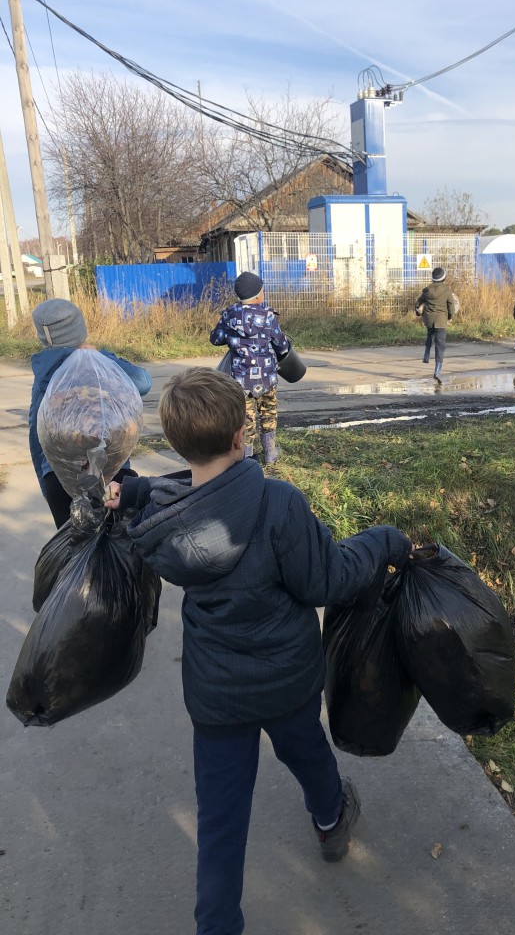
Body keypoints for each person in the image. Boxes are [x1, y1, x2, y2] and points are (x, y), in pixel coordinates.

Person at [104, 368, 412, 935]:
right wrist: (383, 541)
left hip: (216, 694)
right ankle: (330, 821)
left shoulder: (159, 524)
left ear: (177, 445)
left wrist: (137, 492)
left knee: (220, 821)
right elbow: (328, 580)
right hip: (287, 680)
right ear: (240, 434)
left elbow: (185, 494)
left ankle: (216, 925)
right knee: (307, 751)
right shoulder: (278, 503)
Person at [29, 298, 152, 528]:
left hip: (60, 478)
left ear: (43, 337)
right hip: (113, 473)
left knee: (74, 543)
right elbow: (143, 382)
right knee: (119, 541)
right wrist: (105, 356)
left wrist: (46, 482)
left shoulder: (44, 375)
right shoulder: (99, 365)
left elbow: (36, 435)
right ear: (80, 329)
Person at [210, 271, 289, 466]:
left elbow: (215, 339)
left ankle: (246, 460)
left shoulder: (229, 315)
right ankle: (270, 454)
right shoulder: (268, 316)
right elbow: (282, 346)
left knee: (246, 419)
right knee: (268, 413)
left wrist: (231, 338)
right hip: (267, 379)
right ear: (258, 294)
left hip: (241, 381)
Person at [415, 266, 457, 384]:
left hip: (428, 319)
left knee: (430, 333)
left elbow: (418, 303)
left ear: (433, 278)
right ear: (444, 278)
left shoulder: (427, 290)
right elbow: (451, 306)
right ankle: (437, 371)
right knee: (440, 345)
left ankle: (426, 355)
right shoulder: (447, 291)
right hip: (441, 320)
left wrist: (418, 313)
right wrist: (450, 317)